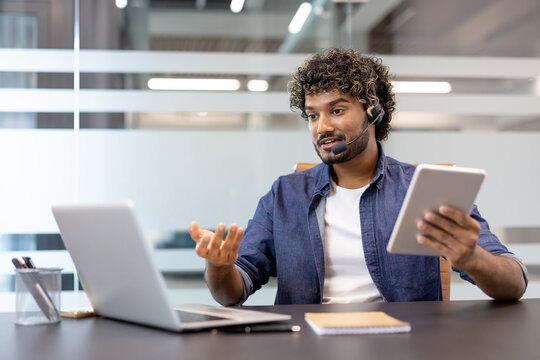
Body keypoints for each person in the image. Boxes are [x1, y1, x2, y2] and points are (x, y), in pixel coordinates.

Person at [189, 48, 528, 305]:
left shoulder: (422, 190)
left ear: (373, 111)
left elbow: (514, 283)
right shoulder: (284, 195)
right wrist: (219, 268)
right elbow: (233, 293)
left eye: (337, 110)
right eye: (312, 115)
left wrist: (473, 259)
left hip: (405, 346)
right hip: (306, 347)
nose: (322, 127)